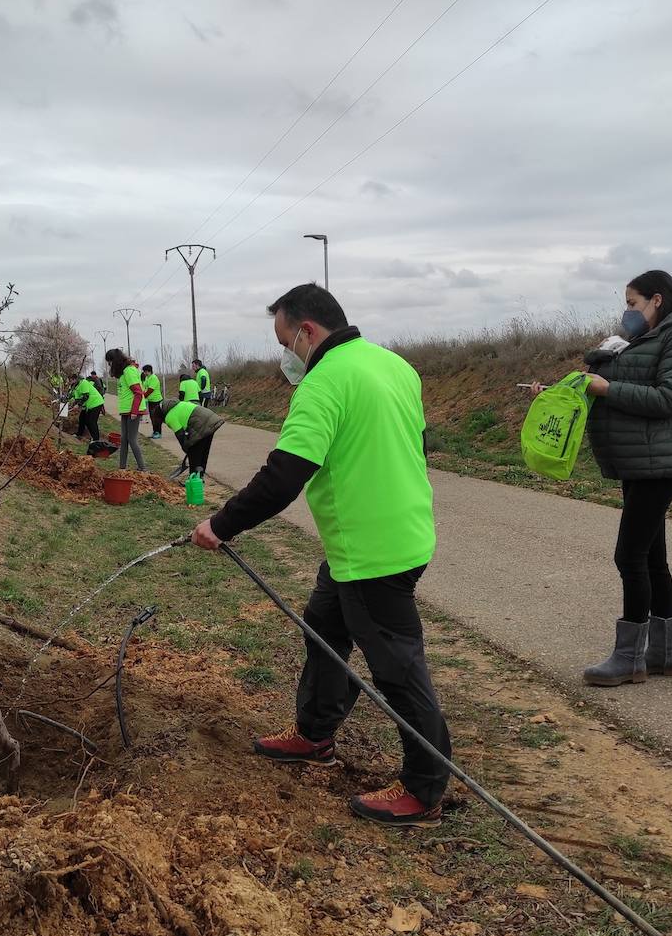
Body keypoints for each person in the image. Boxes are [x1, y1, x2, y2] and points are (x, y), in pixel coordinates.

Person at [191, 284, 450, 827]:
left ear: (306, 332)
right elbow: (415, 446)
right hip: (396, 534)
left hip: (370, 552)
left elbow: (284, 474)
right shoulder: (393, 365)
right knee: (324, 627)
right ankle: (314, 734)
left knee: (398, 668)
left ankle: (425, 788)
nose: (286, 356)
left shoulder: (323, 382)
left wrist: (221, 524)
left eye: (285, 341)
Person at [530, 270, 672, 687]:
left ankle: (629, 659)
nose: (627, 311)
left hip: (665, 460)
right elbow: (613, 382)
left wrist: (605, 389)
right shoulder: (643, 338)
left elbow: (671, 397)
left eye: (632, 302)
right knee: (651, 557)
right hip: (644, 461)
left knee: (629, 555)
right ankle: (666, 656)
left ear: (656, 299)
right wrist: (562, 390)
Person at [105, 348, 148, 472]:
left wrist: (134, 411)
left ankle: (142, 468)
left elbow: (138, 393)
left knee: (132, 439)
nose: (109, 365)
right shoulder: (124, 372)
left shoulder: (129, 371)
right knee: (123, 439)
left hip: (133, 411)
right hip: (126, 410)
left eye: (110, 362)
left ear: (115, 361)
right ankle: (122, 467)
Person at [160, 398, 224, 479]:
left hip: (201, 423)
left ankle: (194, 478)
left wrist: (187, 449)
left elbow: (180, 435)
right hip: (212, 419)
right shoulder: (181, 404)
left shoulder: (169, 417)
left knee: (194, 454)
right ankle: (200, 476)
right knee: (203, 452)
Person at [69, 371, 104, 446]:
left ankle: (96, 439)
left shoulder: (83, 383)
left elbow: (86, 396)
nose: (70, 382)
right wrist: (72, 404)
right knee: (82, 418)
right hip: (88, 405)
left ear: (75, 379)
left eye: (71, 380)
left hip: (96, 403)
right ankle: (79, 434)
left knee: (91, 421)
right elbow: (75, 397)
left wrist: (78, 405)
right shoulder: (75, 387)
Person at [141, 364, 165, 439]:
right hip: (150, 401)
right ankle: (155, 431)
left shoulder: (154, 378)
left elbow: (150, 390)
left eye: (145, 372)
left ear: (149, 371)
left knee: (157, 417)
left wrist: (143, 396)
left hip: (156, 401)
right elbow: (145, 388)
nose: (144, 373)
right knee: (152, 417)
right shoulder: (147, 378)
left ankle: (158, 432)